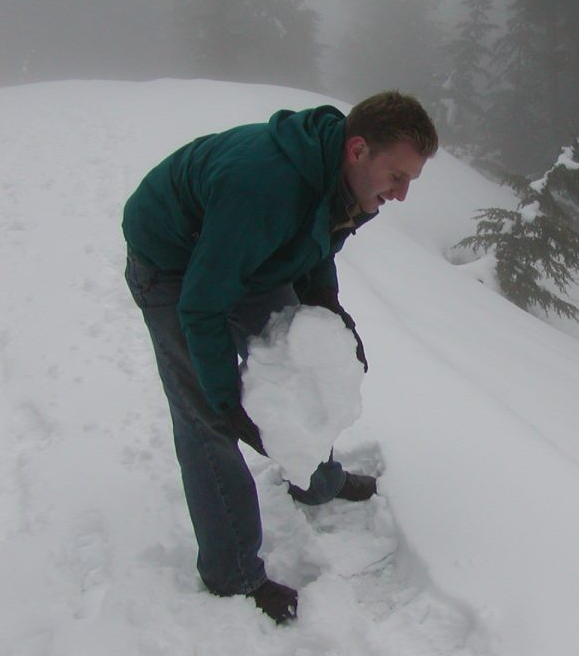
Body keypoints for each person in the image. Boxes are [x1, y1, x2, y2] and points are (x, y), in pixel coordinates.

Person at [122, 91, 439, 624]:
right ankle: (233, 573)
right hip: (174, 264)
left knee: (304, 361)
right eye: (398, 177)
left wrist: (329, 313)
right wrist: (225, 398)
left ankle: (317, 482)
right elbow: (201, 304)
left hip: (240, 251)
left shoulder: (344, 180)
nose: (402, 194)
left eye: (410, 181)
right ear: (359, 149)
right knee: (206, 419)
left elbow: (313, 248)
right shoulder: (265, 187)